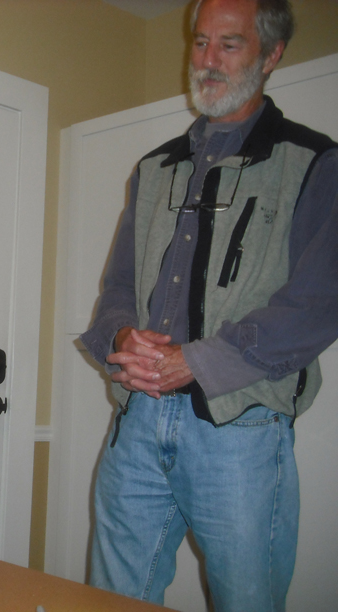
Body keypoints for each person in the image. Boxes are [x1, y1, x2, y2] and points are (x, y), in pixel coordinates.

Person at [79, 0, 338, 609]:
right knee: (109, 600)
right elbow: (116, 289)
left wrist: (199, 361)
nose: (208, 61)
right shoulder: (153, 168)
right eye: (200, 43)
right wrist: (121, 340)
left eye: (230, 44)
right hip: (136, 425)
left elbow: (316, 303)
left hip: (241, 433)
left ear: (271, 55)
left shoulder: (316, 164)